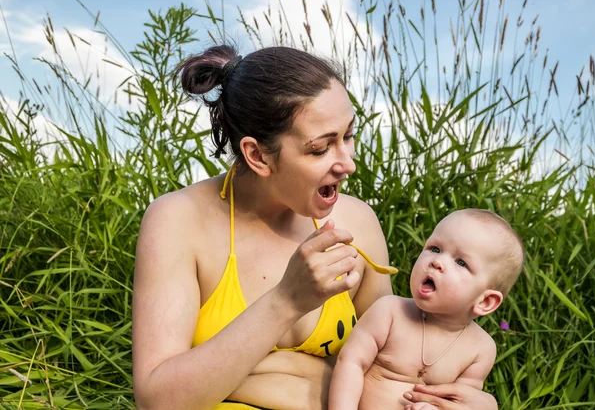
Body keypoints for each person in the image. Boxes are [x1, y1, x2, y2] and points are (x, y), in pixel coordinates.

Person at [131, 44, 499, 410]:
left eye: (348, 136)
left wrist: (476, 403)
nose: (348, 164)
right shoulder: (177, 220)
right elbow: (159, 399)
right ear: (257, 155)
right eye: (321, 149)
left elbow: (387, 373)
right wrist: (285, 301)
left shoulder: (357, 223)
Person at [329, 209, 524, 410]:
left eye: (460, 262)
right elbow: (351, 363)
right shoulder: (390, 312)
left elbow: (461, 403)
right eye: (435, 248)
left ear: (486, 301)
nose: (437, 262)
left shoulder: (480, 349)